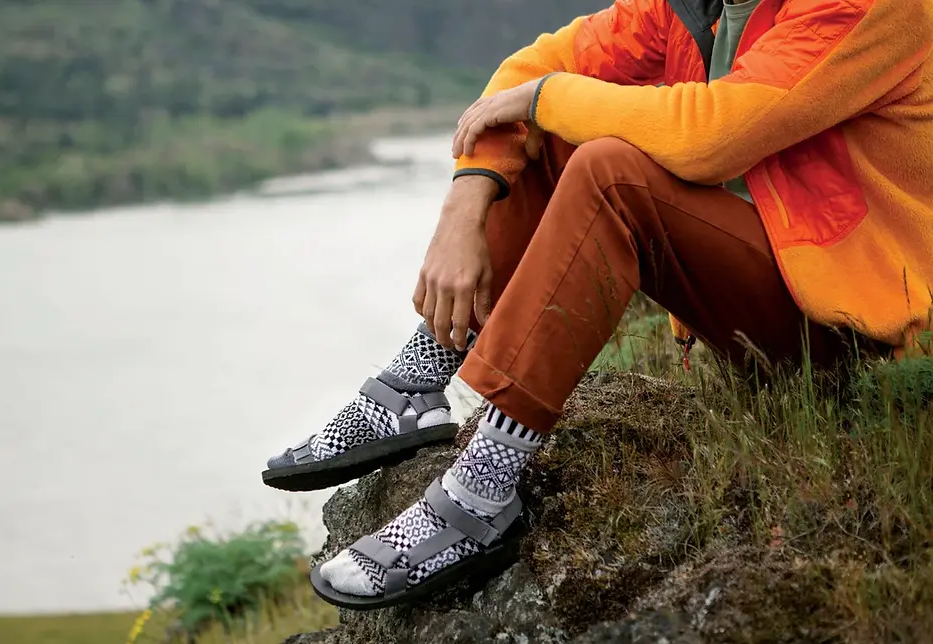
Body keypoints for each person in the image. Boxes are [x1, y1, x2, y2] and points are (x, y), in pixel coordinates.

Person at [263, 0, 933, 609]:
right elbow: (532, 67)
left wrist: (545, 97)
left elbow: (714, 132)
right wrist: (465, 198)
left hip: (856, 330)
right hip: (757, 302)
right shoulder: (687, 8)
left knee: (606, 168)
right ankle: (415, 380)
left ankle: (480, 492)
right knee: (556, 132)